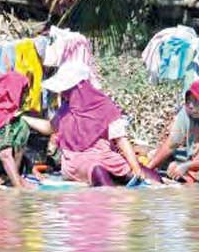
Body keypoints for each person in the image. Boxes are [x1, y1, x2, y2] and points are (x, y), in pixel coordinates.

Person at [24, 61, 156, 186]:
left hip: (105, 155)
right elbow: (50, 127)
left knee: (149, 176)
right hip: (77, 159)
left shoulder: (104, 106)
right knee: (98, 170)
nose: (63, 93)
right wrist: (25, 119)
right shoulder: (65, 109)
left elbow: (121, 140)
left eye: (67, 90)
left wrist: (136, 168)